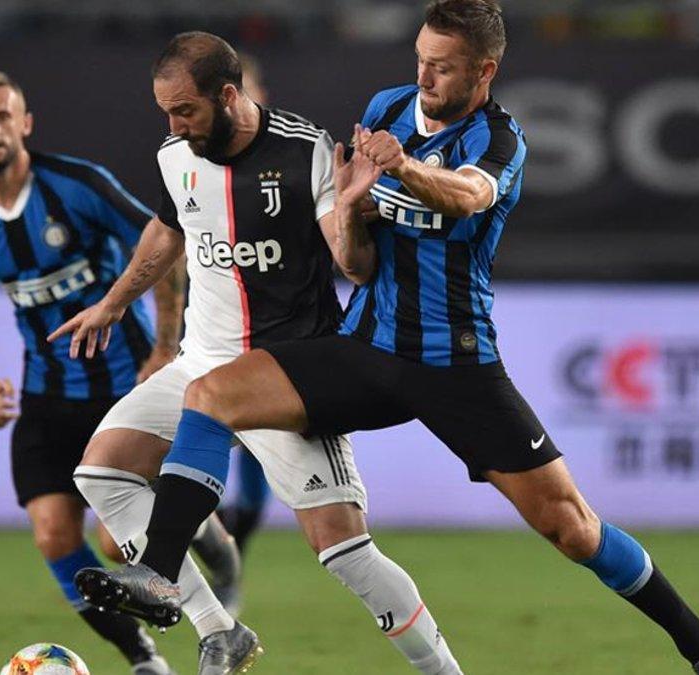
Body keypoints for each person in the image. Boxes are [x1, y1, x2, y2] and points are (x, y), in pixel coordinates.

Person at [59, 3, 699, 674]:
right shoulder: (388, 108)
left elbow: (466, 196)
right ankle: (159, 573)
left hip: (456, 363)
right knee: (209, 392)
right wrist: (354, 205)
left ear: (484, 72)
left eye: (445, 67)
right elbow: (358, 261)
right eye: (421, 60)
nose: (425, 77)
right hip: (364, 348)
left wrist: (401, 170)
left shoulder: (500, 140)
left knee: (571, 527)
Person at [49, 32, 463, 675]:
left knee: (345, 551)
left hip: (286, 376)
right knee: (103, 473)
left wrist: (351, 208)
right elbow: (168, 230)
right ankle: (220, 631)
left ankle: (442, 670)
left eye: (185, 110)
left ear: (229, 94)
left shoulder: (306, 152)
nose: (174, 125)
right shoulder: (175, 155)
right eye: (165, 112)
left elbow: (353, 266)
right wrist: (113, 302)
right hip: (202, 362)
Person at [0, 69, 193, 675]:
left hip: (124, 388)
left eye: (4, 116)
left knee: (113, 543)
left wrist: (163, 348)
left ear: (24, 123)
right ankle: (142, 658)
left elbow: (165, 246)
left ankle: (202, 535)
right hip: (46, 396)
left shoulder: (78, 185)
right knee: (55, 536)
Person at [213, 53, 272, 574]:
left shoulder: (293, 163)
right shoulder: (190, 167)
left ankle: (227, 561)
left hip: (278, 341)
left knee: (261, 482)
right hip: (216, 340)